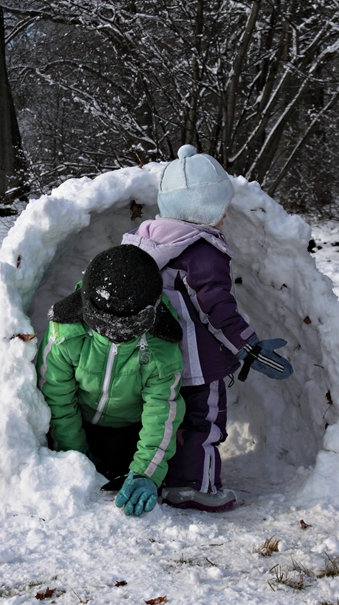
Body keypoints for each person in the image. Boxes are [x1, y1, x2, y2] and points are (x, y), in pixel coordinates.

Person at [123, 144, 293, 512]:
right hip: (197, 361)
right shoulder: (204, 251)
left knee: (169, 420)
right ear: (203, 208)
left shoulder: (145, 240)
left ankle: (167, 479)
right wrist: (248, 346)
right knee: (204, 423)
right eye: (220, 207)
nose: (225, 216)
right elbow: (217, 310)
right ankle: (197, 487)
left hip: (153, 357)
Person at [36, 244, 186, 517]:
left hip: (130, 432)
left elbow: (162, 412)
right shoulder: (67, 333)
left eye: (124, 330)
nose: (114, 335)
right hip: (78, 425)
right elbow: (56, 397)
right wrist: (75, 455)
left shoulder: (161, 350)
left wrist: (146, 472)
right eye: (105, 328)